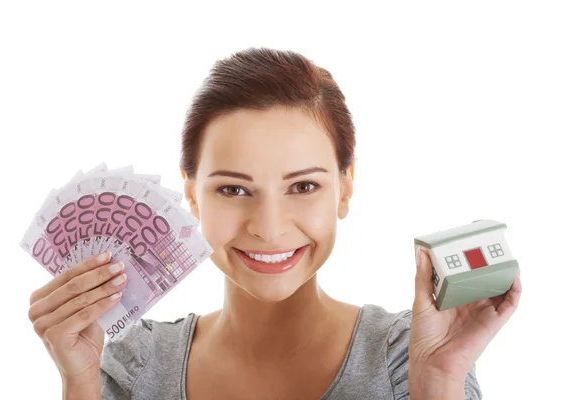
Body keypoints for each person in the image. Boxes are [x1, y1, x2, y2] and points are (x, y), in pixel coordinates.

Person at [27, 47, 521, 400]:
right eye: (234, 189)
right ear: (192, 194)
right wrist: (78, 383)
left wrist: (437, 381)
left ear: (344, 188)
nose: (268, 227)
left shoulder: (409, 358)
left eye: (303, 187)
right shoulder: (135, 365)